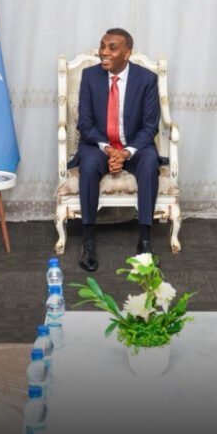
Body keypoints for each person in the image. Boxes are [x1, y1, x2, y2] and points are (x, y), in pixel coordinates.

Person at [68, 28, 162, 272]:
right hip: (99, 144)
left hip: (134, 146)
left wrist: (126, 152)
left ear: (127, 53)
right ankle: (88, 240)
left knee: (150, 161)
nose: (104, 52)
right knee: (89, 165)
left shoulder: (147, 79)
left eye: (112, 48)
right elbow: (85, 123)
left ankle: (145, 241)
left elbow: (150, 126)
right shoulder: (90, 76)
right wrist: (109, 150)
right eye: (102, 46)